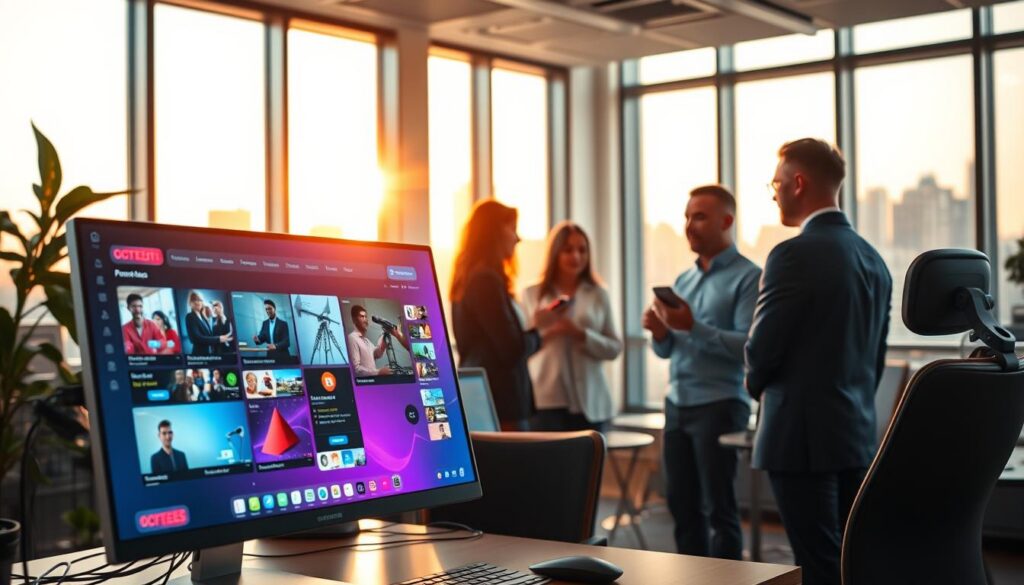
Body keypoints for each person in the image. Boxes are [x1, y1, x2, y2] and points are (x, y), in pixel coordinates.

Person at [745, 139, 891, 585]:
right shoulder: (875, 260)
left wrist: (755, 386)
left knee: (816, 561)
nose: (774, 193)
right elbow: (875, 358)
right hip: (855, 431)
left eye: (776, 183)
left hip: (798, 436)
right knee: (854, 558)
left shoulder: (791, 254)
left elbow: (761, 351)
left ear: (799, 182)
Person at [642, 184, 761, 560]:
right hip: (678, 405)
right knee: (681, 507)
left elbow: (748, 347)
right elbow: (666, 350)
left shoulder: (749, 278)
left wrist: (692, 326)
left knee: (720, 510)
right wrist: (661, 332)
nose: (689, 225)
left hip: (720, 405)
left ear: (727, 221)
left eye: (700, 216)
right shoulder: (683, 281)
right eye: (687, 216)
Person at [450, 199, 562, 431]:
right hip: (500, 404)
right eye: (512, 229)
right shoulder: (485, 281)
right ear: (494, 232)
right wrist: (539, 329)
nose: (517, 238)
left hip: (487, 399)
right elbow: (511, 349)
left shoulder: (469, 278)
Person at [522, 221, 622, 432]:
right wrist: (547, 330)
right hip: (546, 401)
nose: (576, 256)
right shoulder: (532, 294)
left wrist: (580, 334)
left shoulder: (598, 294)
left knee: (588, 464)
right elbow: (520, 348)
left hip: (590, 402)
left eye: (582, 250)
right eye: (568, 250)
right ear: (555, 253)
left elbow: (615, 347)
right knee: (548, 465)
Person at [346, 304, 408, 377]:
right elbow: (356, 369)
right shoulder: (352, 338)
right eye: (362, 316)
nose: (365, 320)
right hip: (364, 385)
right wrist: (378, 372)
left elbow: (377, 353)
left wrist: (384, 335)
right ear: (354, 320)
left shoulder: (366, 341)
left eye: (366, 316)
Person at [185, 291, 231, 356]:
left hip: (209, 355)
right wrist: (219, 339)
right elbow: (196, 338)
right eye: (195, 300)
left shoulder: (203, 317)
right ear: (190, 302)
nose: (198, 302)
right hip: (198, 356)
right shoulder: (190, 316)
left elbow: (210, 335)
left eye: (200, 300)